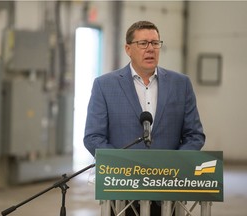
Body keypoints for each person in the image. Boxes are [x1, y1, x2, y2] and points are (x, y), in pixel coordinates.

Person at [83, 20, 205, 216]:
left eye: (155, 43)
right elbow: (93, 137)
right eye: (143, 44)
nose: (150, 49)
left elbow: (195, 135)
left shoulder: (181, 84)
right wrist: (125, 167)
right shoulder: (104, 86)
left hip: (169, 192)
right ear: (128, 49)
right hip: (122, 195)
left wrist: (172, 165)